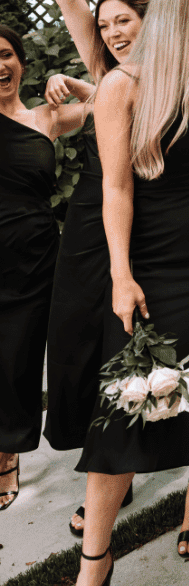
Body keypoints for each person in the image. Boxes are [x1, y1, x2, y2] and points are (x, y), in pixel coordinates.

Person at [12, 0, 189, 545]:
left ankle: (179, 481)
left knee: (155, 348)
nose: (112, 32)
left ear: (153, 20)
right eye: (104, 27)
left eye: (124, 21)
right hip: (91, 227)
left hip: (160, 230)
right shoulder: (108, 72)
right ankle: (113, 460)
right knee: (81, 348)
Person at [72, 0, 189, 586]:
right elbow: (115, 188)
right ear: (176, 21)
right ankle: (95, 560)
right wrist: (120, 275)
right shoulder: (122, 86)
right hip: (145, 267)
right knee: (119, 412)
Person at [0, 25, 86, 510]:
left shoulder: (44, 118)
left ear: (22, 63)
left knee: (20, 357)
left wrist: (67, 82)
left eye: (6, 54)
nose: (0, 65)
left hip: (34, 258)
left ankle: (7, 453)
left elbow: (113, 103)